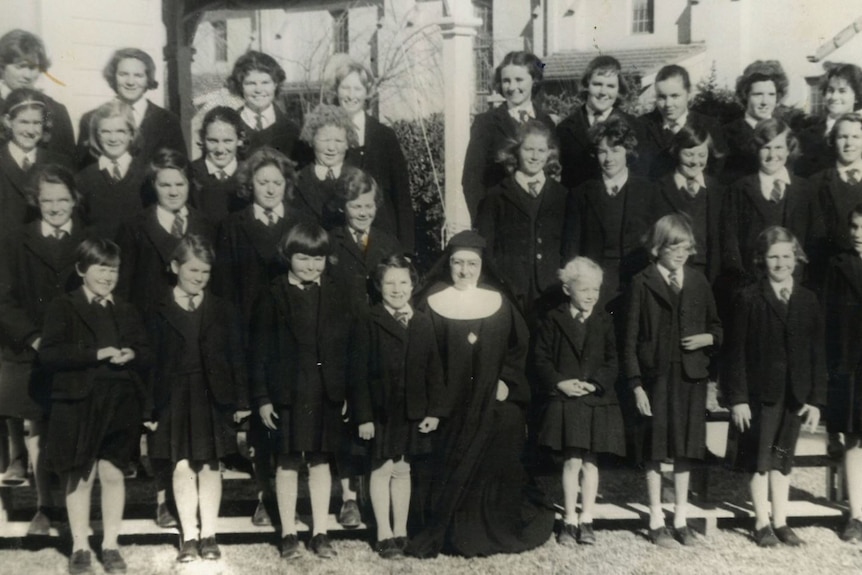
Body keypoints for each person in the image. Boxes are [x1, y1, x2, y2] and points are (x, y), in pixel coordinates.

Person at [406, 230, 555, 558]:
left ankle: (491, 526)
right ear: (448, 263)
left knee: (507, 426)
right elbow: (422, 355)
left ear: (482, 265)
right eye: (457, 262)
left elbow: (520, 347)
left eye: (471, 264)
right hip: (447, 399)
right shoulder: (432, 301)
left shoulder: (499, 301)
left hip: (492, 395)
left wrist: (507, 379)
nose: (464, 270)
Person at [40, 237, 152, 575]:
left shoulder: (125, 308)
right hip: (78, 401)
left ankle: (111, 545)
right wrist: (95, 354)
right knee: (81, 475)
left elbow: (145, 349)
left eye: (113, 269)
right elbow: (49, 355)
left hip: (120, 402)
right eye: (100, 268)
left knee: (113, 473)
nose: (107, 275)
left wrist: (132, 353)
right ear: (81, 269)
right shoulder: (64, 306)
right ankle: (80, 547)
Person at [250, 221, 358, 560]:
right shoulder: (273, 293)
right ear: (287, 256)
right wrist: (263, 398)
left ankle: (321, 532)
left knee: (320, 461)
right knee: (286, 462)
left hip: (325, 392)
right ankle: (288, 532)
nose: (311, 266)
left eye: (318, 259)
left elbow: (349, 349)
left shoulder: (337, 293)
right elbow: (259, 352)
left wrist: (345, 394)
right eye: (303, 258)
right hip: (288, 393)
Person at [211, 146, 304, 527]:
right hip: (249, 335)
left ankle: (289, 501)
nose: (269, 188)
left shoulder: (299, 222)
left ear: (287, 184)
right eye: (262, 182)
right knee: (258, 424)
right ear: (250, 185)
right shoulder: (234, 225)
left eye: (276, 182)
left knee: (289, 421)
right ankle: (264, 496)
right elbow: (226, 288)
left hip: (291, 338)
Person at [145, 235, 250, 563]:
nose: (199, 277)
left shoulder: (222, 308)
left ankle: (210, 534)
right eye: (193, 270)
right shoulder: (157, 310)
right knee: (181, 464)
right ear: (175, 267)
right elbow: (149, 364)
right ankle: (188, 535)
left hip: (212, 395)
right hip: (174, 396)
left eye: (205, 272)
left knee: (210, 464)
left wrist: (242, 400)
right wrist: (148, 407)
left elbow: (236, 357)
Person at [723, 226, 826, 547]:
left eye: (786, 256)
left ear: (796, 258)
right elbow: (734, 352)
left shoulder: (808, 299)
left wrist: (816, 400)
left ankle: (781, 521)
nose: (780, 263)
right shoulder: (748, 298)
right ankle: (762, 522)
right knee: (760, 458)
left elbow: (817, 353)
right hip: (759, 395)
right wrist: (737, 398)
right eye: (772, 257)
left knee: (782, 459)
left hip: (794, 395)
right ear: (760, 259)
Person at [624, 214, 722, 547]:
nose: (680, 254)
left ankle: (680, 518)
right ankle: (655, 519)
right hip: (656, 379)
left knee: (685, 449)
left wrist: (706, 339)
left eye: (685, 247)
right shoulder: (642, 281)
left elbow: (718, 327)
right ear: (657, 248)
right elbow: (630, 339)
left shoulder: (697, 280)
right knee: (655, 449)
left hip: (690, 377)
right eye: (672, 247)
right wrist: (636, 383)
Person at [0, 164, 86, 532]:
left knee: (73, 428)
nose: (55, 207)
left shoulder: (87, 239)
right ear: (36, 201)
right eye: (47, 200)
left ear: (74, 200)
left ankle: (74, 506)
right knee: (38, 428)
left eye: (62, 199)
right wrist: (34, 337)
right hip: (30, 350)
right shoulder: (15, 240)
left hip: (74, 350)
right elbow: (3, 299)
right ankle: (44, 505)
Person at [353, 254, 447, 559]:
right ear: (379, 286)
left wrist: (434, 411)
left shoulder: (421, 321)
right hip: (381, 411)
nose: (397, 289)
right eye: (389, 283)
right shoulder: (369, 319)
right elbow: (359, 374)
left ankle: (401, 529)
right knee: (381, 468)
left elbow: (434, 369)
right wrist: (364, 416)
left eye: (403, 282)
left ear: (413, 284)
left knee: (403, 468)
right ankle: (383, 532)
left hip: (412, 410)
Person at [534, 257, 623, 546]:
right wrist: (560, 382)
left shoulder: (604, 320)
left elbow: (612, 361)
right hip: (566, 398)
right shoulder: (552, 319)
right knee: (571, 460)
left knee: (590, 462)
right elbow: (541, 358)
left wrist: (595, 383)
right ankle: (569, 519)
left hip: (595, 398)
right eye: (584, 289)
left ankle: (587, 519)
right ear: (567, 289)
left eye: (595, 290)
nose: (591, 296)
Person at [476, 119, 569, 322]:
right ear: (517, 151)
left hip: (550, 288)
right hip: (510, 289)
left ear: (549, 154)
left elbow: (568, 244)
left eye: (541, 150)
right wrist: (500, 281)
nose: (535, 156)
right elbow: (486, 246)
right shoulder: (497, 195)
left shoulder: (562, 196)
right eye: (528, 149)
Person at [564, 116, 657, 311]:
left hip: (637, 280)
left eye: (615, 150)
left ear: (627, 152)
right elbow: (572, 246)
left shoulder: (648, 191)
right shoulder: (581, 193)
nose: (609, 159)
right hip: (595, 284)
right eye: (602, 152)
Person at [722, 118, 822, 286]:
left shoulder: (806, 189)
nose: (772, 155)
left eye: (778, 147)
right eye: (765, 148)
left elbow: (816, 238)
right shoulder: (739, 189)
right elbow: (730, 239)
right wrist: (741, 279)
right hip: (751, 283)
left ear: (789, 150)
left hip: (796, 283)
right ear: (756, 149)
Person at [115, 148, 214, 316]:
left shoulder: (205, 225)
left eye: (180, 184)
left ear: (189, 183)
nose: (173, 192)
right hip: (149, 322)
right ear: (154, 185)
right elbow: (124, 287)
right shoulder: (135, 227)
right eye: (165, 185)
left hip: (193, 321)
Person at [332, 58, 415, 251]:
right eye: (345, 88)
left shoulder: (384, 136)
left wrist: (407, 250)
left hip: (382, 232)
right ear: (336, 91)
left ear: (367, 93)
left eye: (358, 89)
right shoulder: (325, 134)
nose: (351, 95)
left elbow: (401, 194)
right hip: (339, 234)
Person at [462, 51, 555, 219]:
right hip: (500, 219)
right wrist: (482, 225)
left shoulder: (546, 122)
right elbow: (471, 180)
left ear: (534, 81)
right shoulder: (486, 123)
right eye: (506, 81)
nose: (512, 87)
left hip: (540, 220)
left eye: (519, 80)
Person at [76, 47, 185, 168]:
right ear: (113, 76)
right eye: (123, 74)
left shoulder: (168, 121)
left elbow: (180, 170)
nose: (130, 82)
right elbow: (82, 171)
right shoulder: (90, 119)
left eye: (138, 75)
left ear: (148, 79)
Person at [824, 205, 862, 543]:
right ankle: (856, 516)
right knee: (853, 440)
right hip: (852, 364)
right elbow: (829, 323)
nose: (857, 233)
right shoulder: (838, 267)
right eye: (853, 226)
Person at [653, 121, 725, 283]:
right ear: (677, 152)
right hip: (670, 271)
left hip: (708, 273)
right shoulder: (659, 189)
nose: (695, 161)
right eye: (689, 154)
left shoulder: (717, 191)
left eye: (701, 155)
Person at [328, 166, 402, 318]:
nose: (363, 214)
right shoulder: (330, 242)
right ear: (342, 207)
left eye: (369, 206)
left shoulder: (389, 243)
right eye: (356, 206)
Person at [556, 55, 639, 190]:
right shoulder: (564, 129)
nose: (603, 92)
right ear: (587, 85)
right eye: (597, 84)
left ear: (618, 90)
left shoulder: (634, 126)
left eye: (611, 86)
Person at [0, 88, 72, 234]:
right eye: (24, 122)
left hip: (44, 251)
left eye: (36, 123)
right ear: (8, 121)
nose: (31, 130)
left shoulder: (60, 163)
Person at [74, 101, 150, 239]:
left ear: (131, 134)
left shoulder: (146, 175)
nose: (113, 138)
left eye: (120, 131)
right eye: (105, 132)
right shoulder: (83, 178)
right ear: (96, 135)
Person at [637, 64, 726, 180]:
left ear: (688, 94)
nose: (668, 104)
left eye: (675, 96)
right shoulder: (641, 126)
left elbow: (717, 170)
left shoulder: (709, 125)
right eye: (662, 97)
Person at [0, 29, 75, 160]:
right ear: (2, 66)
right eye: (20, 67)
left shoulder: (57, 112)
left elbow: (68, 166)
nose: (27, 76)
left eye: (33, 68)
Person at [226, 50, 301, 162]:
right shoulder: (228, 126)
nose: (259, 90)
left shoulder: (292, 131)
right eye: (251, 83)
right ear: (240, 86)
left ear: (275, 84)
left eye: (265, 83)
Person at [722, 60, 789, 184]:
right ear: (745, 95)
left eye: (771, 94)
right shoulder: (725, 134)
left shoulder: (785, 133)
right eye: (758, 94)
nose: (765, 101)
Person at [292, 104, 357, 231]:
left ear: (348, 144)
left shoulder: (359, 180)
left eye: (338, 141)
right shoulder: (296, 181)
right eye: (324, 140)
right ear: (311, 140)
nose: (331, 148)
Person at [810, 113, 862, 272]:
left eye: (856, 137)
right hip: (833, 272)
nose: (849, 143)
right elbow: (815, 236)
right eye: (843, 137)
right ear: (833, 141)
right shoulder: (816, 183)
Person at [795, 63, 862, 177]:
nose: (834, 97)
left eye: (842, 91)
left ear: (856, 96)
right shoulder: (806, 136)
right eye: (830, 90)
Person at [189, 106, 249, 224]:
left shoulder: (249, 174)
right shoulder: (190, 174)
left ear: (240, 139)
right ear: (202, 139)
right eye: (213, 141)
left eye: (227, 141)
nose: (220, 149)